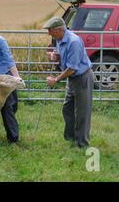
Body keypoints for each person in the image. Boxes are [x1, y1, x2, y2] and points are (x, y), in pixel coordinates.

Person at [44, 17, 94, 148]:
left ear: (60, 29)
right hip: (72, 79)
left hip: (82, 77)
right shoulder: (60, 40)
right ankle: (71, 138)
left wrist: (55, 80)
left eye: (50, 30)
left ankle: (82, 143)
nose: (49, 33)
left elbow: (72, 68)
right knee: (67, 108)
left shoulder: (74, 42)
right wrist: (55, 57)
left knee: (82, 112)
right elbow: (63, 58)